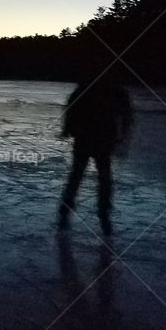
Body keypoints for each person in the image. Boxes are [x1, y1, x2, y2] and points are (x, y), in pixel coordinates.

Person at [58, 67, 133, 235]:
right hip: (99, 138)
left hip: (93, 137)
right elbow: (126, 113)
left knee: (81, 174)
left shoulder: (91, 87)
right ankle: (101, 211)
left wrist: (67, 128)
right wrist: (123, 134)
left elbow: (71, 108)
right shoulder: (112, 89)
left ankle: (69, 208)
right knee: (100, 176)